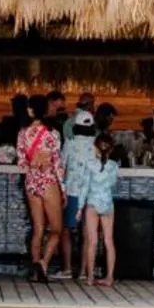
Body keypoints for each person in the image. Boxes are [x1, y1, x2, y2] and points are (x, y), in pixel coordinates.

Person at [17, 94, 64, 279]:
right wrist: (63, 190)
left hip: (31, 182)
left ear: (31, 110)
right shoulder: (53, 134)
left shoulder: (22, 133)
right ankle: (43, 264)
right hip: (48, 181)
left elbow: (21, 164)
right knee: (57, 229)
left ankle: (35, 271)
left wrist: (33, 163)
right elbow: (58, 164)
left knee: (38, 228)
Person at [60, 112, 99, 274]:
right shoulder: (97, 144)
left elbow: (61, 167)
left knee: (66, 230)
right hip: (91, 192)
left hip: (73, 192)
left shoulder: (69, 143)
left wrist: (61, 189)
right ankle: (84, 271)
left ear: (75, 126)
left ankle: (67, 269)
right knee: (87, 232)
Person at [83, 134, 123, 286]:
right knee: (108, 240)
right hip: (107, 204)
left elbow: (85, 187)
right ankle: (109, 277)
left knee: (92, 242)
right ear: (111, 149)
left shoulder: (89, 164)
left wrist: (80, 207)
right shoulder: (114, 166)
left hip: (92, 203)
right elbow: (113, 185)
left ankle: (90, 277)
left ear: (95, 148)